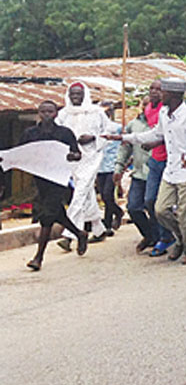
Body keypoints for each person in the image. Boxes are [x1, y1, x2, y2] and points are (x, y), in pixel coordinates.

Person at [107, 78, 186, 264]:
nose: (160, 95)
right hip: (171, 170)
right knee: (160, 210)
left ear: (174, 95)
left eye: (164, 93)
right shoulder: (163, 112)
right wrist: (123, 137)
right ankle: (180, 238)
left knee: (185, 213)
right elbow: (155, 134)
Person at [8, 101, 88, 269]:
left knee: (46, 216)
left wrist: (72, 156)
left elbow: (78, 154)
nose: (46, 114)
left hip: (58, 179)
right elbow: (20, 153)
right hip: (40, 179)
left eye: (50, 111)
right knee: (57, 213)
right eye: (43, 111)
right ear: (38, 113)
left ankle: (38, 258)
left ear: (56, 114)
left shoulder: (64, 133)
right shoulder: (30, 133)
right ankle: (79, 233)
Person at [55, 82, 113, 249]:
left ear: (84, 95)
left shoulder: (96, 112)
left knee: (79, 193)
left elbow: (108, 132)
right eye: (72, 94)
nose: (75, 97)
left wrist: (93, 137)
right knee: (85, 192)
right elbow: (56, 133)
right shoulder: (63, 114)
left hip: (92, 156)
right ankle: (99, 229)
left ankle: (69, 234)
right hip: (73, 158)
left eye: (78, 94)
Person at [140, 80, 175, 256]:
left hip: (171, 160)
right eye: (151, 89)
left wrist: (154, 142)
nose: (154, 92)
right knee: (149, 200)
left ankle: (175, 234)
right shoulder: (148, 109)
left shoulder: (168, 109)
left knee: (169, 202)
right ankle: (165, 235)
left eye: (159, 90)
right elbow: (154, 132)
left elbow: (167, 134)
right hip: (155, 160)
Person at [115, 108, 156, 252]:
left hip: (157, 172)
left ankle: (162, 238)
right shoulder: (133, 125)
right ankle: (149, 235)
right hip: (139, 173)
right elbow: (125, 148)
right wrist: (119, 168)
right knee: (133, 207)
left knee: (154, 206)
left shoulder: (161, 122)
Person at [96, 105, 124, 233]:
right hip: (99, 165)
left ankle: (107, 224)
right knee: (103, 195)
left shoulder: (116, 127)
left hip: (113, 165)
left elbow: (124, 144)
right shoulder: (95, 129)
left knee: (108, 194)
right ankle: (118, 211)